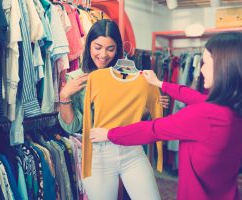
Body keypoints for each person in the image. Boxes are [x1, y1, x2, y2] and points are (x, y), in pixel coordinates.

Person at [89, 31, 242, 200]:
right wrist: (160, 83)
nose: (201, 70)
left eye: (205, 63)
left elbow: (153, 129)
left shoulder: (205, 116)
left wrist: (109, 134)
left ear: (225, 68)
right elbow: (197, 98)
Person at [59, 19, 168, 200]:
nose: (103, 54)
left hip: (132, 151)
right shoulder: (77, 79)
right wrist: (65, 97)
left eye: (110, 48)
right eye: (98, 47)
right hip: (97, 156)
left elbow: (136, 119)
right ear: (88, 46)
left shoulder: (132, 77)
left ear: (117, 49)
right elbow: (73, 127)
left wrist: (150, 106)